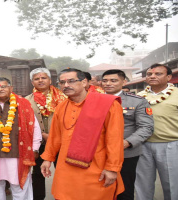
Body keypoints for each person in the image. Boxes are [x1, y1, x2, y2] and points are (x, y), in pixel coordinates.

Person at [40, 68, 125, 200]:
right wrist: (47, 159)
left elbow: (115, 140)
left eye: (71, 81)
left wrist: (112, 168)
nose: (66, 85)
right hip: (66, 168)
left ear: (84, 82)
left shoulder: (108, 104)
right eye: (62, 82)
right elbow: (55, 137)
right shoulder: (61, 107)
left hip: (96, 167)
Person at [102, 69, 154, 200]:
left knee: (124, 190)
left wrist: (127, 143)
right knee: (100, 188)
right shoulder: (92, 100)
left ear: (124, 82)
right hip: (99, 153)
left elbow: (146, 127)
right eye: (105, 81)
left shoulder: (137, 101)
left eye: (113, 80)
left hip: (126, 154)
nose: (108, 83)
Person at [135, 64, 178, 200]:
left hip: (171, 144)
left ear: (169, 77)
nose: (152, 76)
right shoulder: (139, 96)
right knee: (142, 184)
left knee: (172, 183)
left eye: (158, 74)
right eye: (149, 74)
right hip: (142, 145)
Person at [25, 68, 66, 200]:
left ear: (50, 80)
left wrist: (54, 136)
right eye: (37, 79)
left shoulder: (64, 98)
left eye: (43, 78)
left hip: (61, 142)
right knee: (37, 173)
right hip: (38, 142)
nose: (40, 81)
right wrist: (42, 135)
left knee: (63, 172)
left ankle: (63, 196)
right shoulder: (26, 101)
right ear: (32, 82)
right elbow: (25, 123)